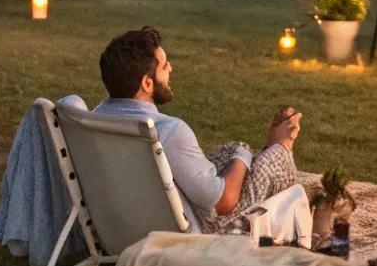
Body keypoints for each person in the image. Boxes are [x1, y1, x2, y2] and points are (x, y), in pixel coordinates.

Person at [95, 26, 300, 233]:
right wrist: (244, 153)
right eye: (165, 66)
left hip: (118, 231)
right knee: (273, 157)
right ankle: (279, 148)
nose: (171, 68)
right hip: (181, 238)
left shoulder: (91, 122)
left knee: (228, 154)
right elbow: (224, 203)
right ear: (147, 84)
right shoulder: (167, 132)